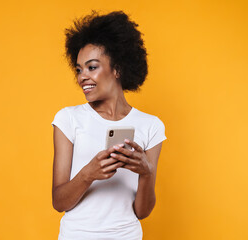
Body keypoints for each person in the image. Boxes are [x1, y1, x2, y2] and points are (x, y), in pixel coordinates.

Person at [51, 10, 167, 240]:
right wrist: (88, 174)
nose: (82, 76)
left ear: (117, 69)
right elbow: (58, 201)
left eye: (91, 67)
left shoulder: (151, 126)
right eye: (79, 69)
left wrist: (146, 173)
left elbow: (142, 212)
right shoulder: (68, 119)